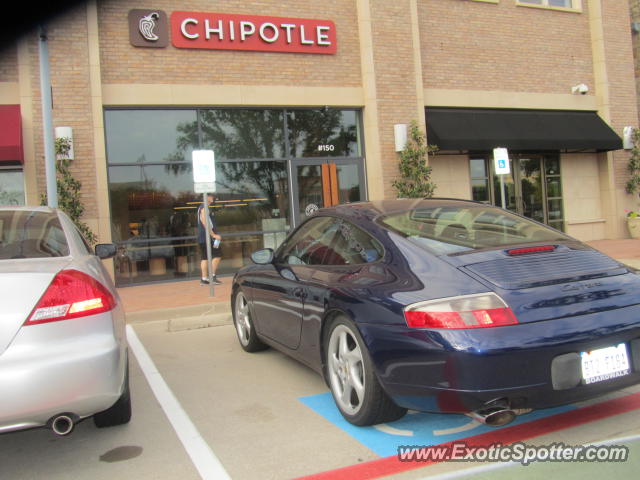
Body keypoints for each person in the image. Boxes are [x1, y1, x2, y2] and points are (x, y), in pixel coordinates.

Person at [197, 193, 222, 285]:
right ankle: (212, 277)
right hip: (209, 238)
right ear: (206, 197)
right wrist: (213, 235)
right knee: (217, 255)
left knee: (205, 257)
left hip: (203, 237)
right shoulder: (204, 207)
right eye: (211, 196)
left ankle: (204, 279)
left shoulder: (202, 207)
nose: (213, 198)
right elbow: (204, 221)